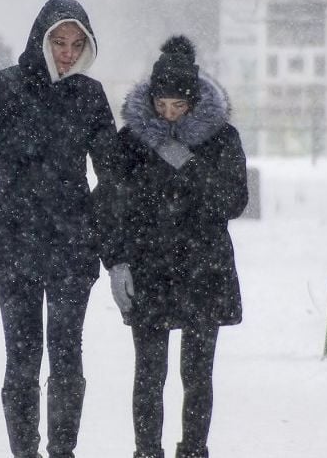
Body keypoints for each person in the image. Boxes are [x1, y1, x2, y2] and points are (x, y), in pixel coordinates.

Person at [0, 0, 120, 458]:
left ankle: (63, 451)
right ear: (41, 39)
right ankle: (24, 452)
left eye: (77, 44)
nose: (66, 52)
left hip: (71, 243)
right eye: (58, 41)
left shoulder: (91, 95)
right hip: (13, 240)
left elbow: (112, 170)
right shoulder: (4, 87)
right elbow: (0, 156)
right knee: (21, 360)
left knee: (66, 356)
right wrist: (48, 111)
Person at [104, 36, 249, 458]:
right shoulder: (131, 141)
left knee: (197, 373)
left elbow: (234, 201)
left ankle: (194, 450)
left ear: (194, 102)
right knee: (149, 372)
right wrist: (116, 262)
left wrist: (188, 164)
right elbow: (111, 205)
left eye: (177, 108)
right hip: (149, 267)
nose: (167, 116)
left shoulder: (222, 139)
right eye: (160, 106)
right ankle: (147, 451)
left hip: (205, 268)